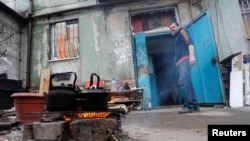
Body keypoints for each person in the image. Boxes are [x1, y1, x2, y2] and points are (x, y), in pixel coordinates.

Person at [169, 22, 200, 114]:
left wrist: (192, 56)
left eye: (173, 26)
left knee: (185, 82)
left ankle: (189, 105)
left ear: (178, 26)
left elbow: (190, 43)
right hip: (181, 62)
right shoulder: (176, 36)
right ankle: (195, 105)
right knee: (188, 83)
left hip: (185, 60)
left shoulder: (183, 31)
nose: (172, 29)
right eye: (171, 28)